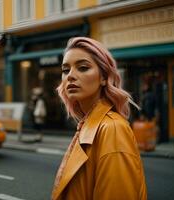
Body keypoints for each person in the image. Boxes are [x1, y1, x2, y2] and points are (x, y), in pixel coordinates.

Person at [52, 37, 147, 200]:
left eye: (82, 68)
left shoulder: (113, 129)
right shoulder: (87, 124)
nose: (70, 76)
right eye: (65, 70)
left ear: (104, 77)